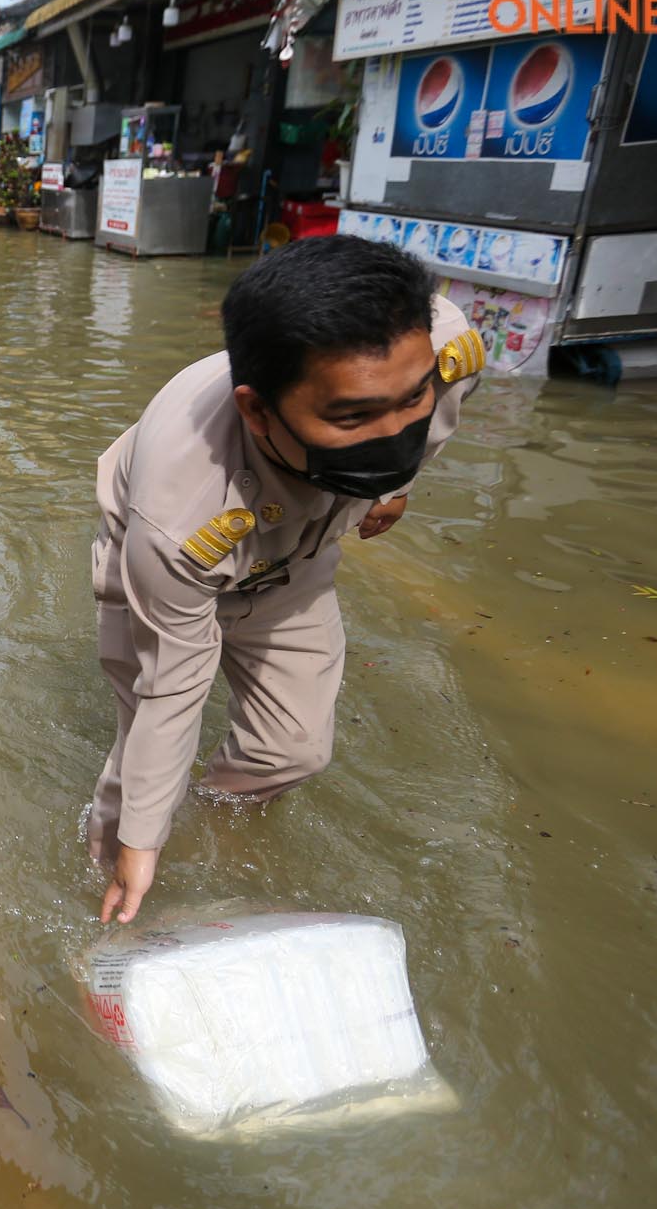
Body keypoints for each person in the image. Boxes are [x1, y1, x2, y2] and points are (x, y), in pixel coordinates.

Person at [87, 237, 486, 922]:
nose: (393, 427)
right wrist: (142, 843)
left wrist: (394, 483)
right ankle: (109, 876)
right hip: (175, 570)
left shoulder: (442, 345)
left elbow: (431, 412)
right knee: (142, 758)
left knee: (293, 749)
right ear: (258, 410)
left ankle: (220, 815)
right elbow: (174, 688)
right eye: (353, 416)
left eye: (410, 398)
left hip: (294, 559)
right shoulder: (178, 518)